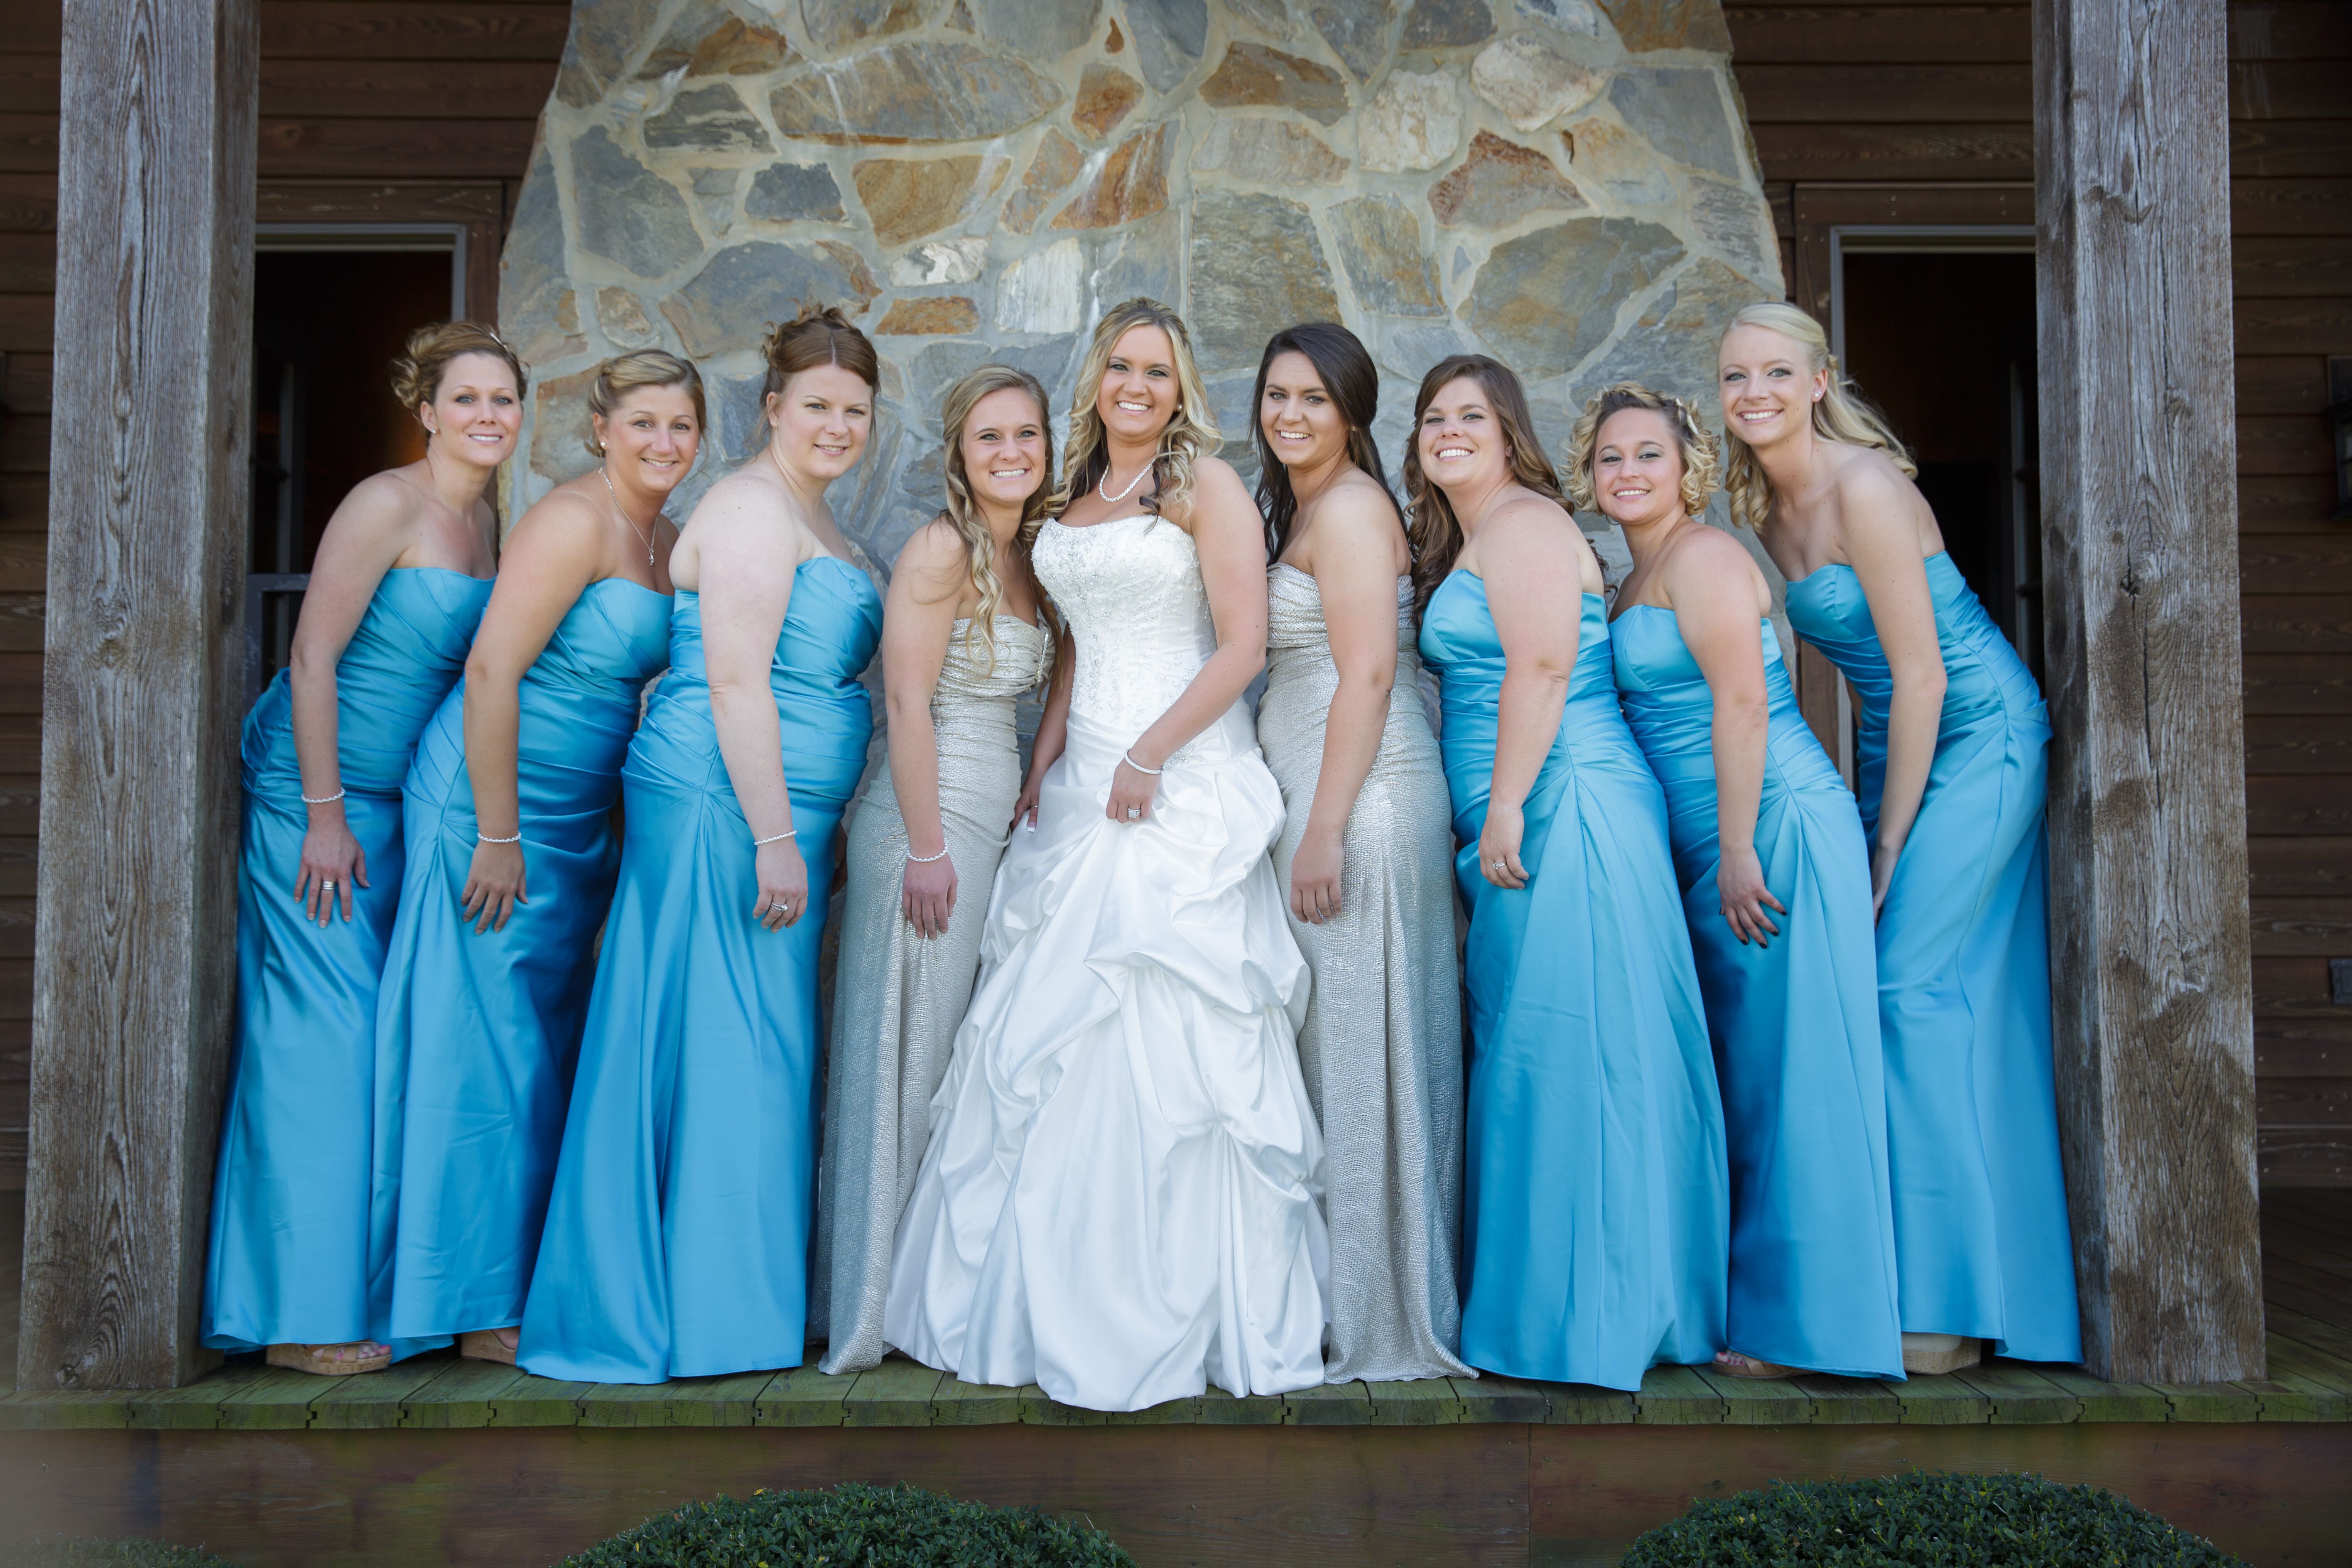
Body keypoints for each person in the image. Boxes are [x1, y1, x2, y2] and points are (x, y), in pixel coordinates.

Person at [883, 298, 1327, 1412]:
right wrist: (1045, 763)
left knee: (1173, 1029)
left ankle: (1182, 1305)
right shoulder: (1072, 498)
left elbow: (1241, 646)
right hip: (1084, 781)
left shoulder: (1204, 489)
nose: (1138, 385)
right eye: (1122, 366)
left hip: (1177, 773)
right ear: (1096, 379)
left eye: (1159, 371)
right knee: (1051, 1033)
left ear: (1182, 388)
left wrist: (1152, 755)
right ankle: (1035, 1294)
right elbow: (1074, 653)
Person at [518, 307, 884, 1383]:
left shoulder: (816, 519)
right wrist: (777, 834)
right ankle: (679, 1314)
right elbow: (734, 678)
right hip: (726, 810)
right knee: (721, 1050)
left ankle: (728, 1308)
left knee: (754, 1052)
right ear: (772, 409)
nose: (837, 425)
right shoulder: (749, 506)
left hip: (772, 817)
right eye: (816, 405)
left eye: (855, 409)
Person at [1718, 303, 2079, 1370]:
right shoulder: (1766, 510)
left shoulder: (1865, 490)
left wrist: (1886, 842)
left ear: (1821, 379)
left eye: (1776, 374)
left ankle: (1949, 1317)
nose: (1754, 396)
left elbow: (1921, 673)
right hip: (1903, 746)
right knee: (1917, 1001)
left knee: (1903, 993)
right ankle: (1931, 1288)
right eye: (1737, 378)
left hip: (1982, 737)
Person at [370, 351, 702, 1365]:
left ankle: (507, 1279)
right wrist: (501, 834)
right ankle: (460, 1300)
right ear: (601, 428)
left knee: (534, 1054)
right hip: (490, 808)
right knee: (479, 1056)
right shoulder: (573, 520)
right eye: (642, 423)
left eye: (681, 426)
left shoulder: (669, 536)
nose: (662, 444)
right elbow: (490, 669)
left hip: (575, 824)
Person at [204, 321, 520, 1375]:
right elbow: (310, 656)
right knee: (321, 1044)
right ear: (426, 409)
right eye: (466, 399)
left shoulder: (491, 527)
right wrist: (327, 813)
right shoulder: (387, 503)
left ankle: (390, 1293)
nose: (486, 417)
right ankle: (293, 1317)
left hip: (398, 807)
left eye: (503, 401)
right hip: (316, 794)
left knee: (390, 1040)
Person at [1412, 358, 1729, 1390]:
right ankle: (1554, 1309)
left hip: (1568, 807)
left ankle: (1595, 1323)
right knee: (1535, 1061)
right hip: (1523, 816)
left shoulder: (1532, 524)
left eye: (1471, 415)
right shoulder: (1479, 533)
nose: (1448, 429)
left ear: (1510, 432)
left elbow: (1546, 667)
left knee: (1579, 1060)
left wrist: (1505, 804)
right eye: (1433, 417)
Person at [1600, 380, 1903, 1382]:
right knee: (1751, 1079)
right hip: (1706, 844)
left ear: (1686, 466)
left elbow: (1743, 704)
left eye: (1648, 453)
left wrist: (1738, 851)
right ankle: (1760, 1309)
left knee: (1795, 1075)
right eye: (1610, 457)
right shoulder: (1629, 577)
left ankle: (1814, 1332)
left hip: (1769, 828)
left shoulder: (1711, 557)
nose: (1628, 472)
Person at [814, 365, 1053, 1376]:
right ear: (960, 452)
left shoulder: (1030, 556)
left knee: (951, 1065)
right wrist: (924, 845)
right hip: (927, 823)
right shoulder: (940, 548)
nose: (1011, 454)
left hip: (990, 823)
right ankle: (869, 1306)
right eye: (990, 438)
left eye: (1027, 437)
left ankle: (927, 1292)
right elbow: (904, 703)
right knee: (899, 1056)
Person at [1251, 324, 1470, 1384]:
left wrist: (1329, 822)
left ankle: (1381, 1309)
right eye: (1277, 395)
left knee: (1363, 1050)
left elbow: (1372, 676)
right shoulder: (1307, 506)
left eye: (1314, 400)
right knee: (1341, 1048)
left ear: (1352, 416)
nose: (1291, 415)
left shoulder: (1347, 510)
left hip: (1366, 802)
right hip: (1330, 795)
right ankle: (1352, 1293)